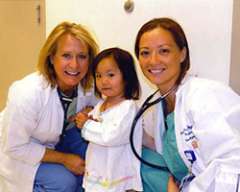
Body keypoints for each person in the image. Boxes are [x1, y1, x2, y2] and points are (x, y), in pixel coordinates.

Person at [134, 17, 240, 192]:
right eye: (145, 52)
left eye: (164, 51)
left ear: (182, 54)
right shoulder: (157, 110)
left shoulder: (205, 95)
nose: (153, 61)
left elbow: (232, 167)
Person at [0, 21, 99, 192]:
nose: (75, 65)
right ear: (52, 57)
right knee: (64, 182)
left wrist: (94, 113)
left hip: (55, 144)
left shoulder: (88, 86)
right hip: (19, 152)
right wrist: (65, 159)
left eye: (82, 56)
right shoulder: (28, 92)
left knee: (95, 163)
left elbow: (104, 110)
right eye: (66, 55)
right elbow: (15, 146)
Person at [74, 47, 143, 192]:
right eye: (98, 76)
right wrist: (86, 118)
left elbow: (111, 136)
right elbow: (94, 128)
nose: (103, 81)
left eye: (110, 75)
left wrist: (87, 125)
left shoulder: (128, 107)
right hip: (97, 173)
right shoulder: (101, 104)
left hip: (117, 177)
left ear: (127, 76)